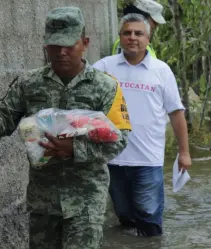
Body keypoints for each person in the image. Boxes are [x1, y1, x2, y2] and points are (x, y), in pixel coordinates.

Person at [0, 6, 131, 249]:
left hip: (86, 201)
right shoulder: (28, 84)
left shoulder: (106, 87)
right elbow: (4, 119)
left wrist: (74, 149)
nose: (61, 52)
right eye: (54, 45)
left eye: (68, 45)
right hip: (43, 201)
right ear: (45, 44)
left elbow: (120, 139)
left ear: (84, 43)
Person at [93, 13, 191, 237]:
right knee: (124, 216)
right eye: (127, 33)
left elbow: (176, 113)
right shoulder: (103, 68)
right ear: (120, 37)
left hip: (149, 159)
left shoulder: (161, 71)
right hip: (112, 157)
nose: (133, 38)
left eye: (139, 33)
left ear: (148, 38)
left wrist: (184, 153)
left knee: (149, 220)